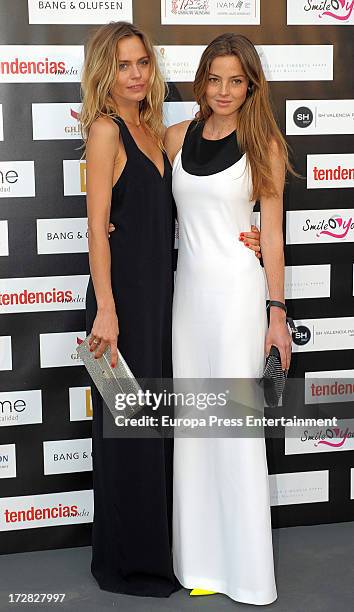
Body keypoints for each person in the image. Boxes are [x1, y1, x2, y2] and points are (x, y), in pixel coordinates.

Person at [81, 21, 262, 597]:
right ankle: (126, 565)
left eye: (142, 64)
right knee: (126, 435)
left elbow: (202, 199)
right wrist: (105, 309)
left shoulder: (157, 131)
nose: (135, 75)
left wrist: (249, 232)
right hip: (120, 304)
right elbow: (96, 229)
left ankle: (161, 552)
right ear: (104, 74)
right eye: (123, 66)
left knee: (155, 434)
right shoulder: (107, 130)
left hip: (164, 300)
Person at [164, 33, 293, 605]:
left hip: (240, 301)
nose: (223, 90)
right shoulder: (174, 137)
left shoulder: (264, 142)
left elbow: (273, 235)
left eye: (235, 80)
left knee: (236, 435)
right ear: (201, 81)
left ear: (250, 85)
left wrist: (277, 314)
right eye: (214, 78)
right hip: (187, 303)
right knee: (195, 432)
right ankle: (199, 564)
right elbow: (145, 201)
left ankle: (246, 575)